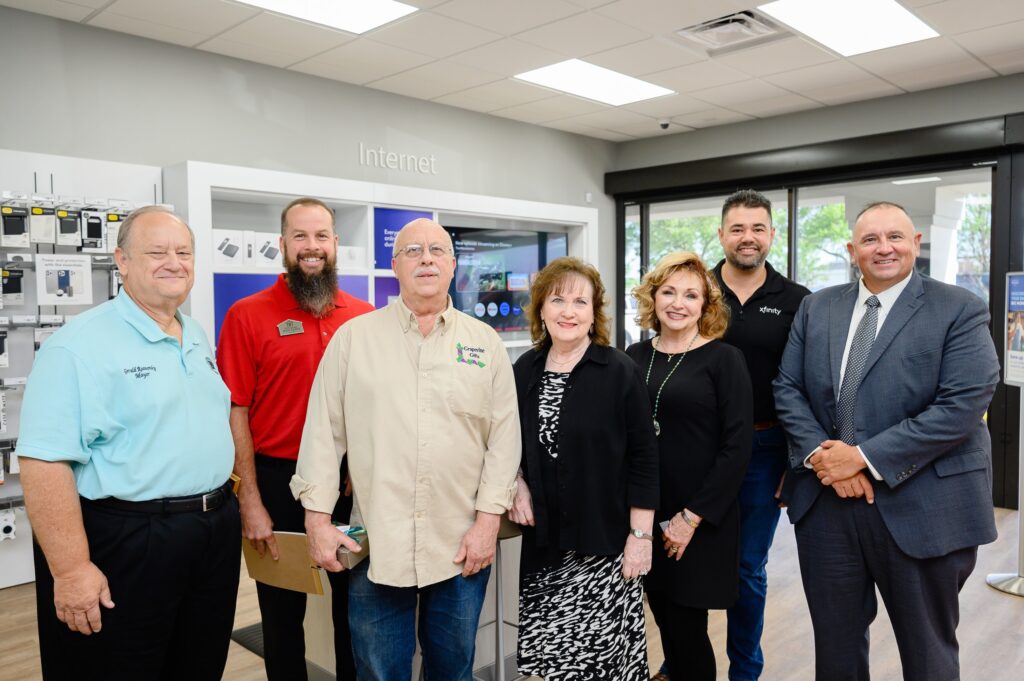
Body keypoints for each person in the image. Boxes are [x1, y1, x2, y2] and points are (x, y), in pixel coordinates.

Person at [773, 201, 999, 681]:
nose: (883, 248)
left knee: (928, 655)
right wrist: (822, 457)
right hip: (827, 506)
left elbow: (959, 406)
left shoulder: (958, 308)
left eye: (894, 237)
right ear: (852, 250)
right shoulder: (818, 306)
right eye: (870, 240)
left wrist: (861, 458)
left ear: (916, 243)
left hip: (922, 506)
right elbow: (787, 387)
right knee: (835, 653)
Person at [290, 218, 521, 681]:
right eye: (413, 251)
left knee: (452, 671)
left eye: (437, 250)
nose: (426, 259)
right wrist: (316, 519)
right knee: (378, 673)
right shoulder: (354, 339)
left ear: (453, 265)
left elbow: (503, 440)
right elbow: (322, 432)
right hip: (378, 542)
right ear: (395, 265)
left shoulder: (484, 344)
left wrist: (487, 522)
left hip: (460, 546)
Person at [17, 205, 239, 681]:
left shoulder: (193, 332)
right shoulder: (77, 347)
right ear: (121, 260)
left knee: (198, 663)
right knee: (117, 667)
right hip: (130, 539)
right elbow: (43, 463)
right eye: (156, 251)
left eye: (183, 252)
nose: (173, 262)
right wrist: (73, 569)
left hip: (212, 532)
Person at [217, 197, 373, 680]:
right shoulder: (247, 314)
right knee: (283, 619)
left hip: (350, 484)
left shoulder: (364, 316)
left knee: (357, 614)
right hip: (277, 479)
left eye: (321, 236)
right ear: (282, 245)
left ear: (335, 245)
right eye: (300, 237)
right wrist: (250, 502)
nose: (312, 247)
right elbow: (235, 410)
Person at [508, 256, 659, 681]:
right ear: (541, 309)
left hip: (605, 548)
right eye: (558, 300)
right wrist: (515, 481)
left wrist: (641, 537)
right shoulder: (525, 370)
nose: (568, 311)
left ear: (594, 314)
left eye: (580, 302)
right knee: (551, 665)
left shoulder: (619, 371)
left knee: (601, 667)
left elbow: (645, 459)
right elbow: (505, 443)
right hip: (545, 549)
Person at [626, 251, 752, 681]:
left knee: (687, 629)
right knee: (664, 619)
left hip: (697, 519)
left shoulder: (724, 360)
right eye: (669, 291)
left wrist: (690, 519)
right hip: (644, 514)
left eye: (691, 294)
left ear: (706, 305)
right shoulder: (633, 355)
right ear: (653, 297)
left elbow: (737, 449)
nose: (678, 303)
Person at [712, 190, 810, 681]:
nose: (747, 238)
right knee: (683, 555)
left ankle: (744, 671)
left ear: (771, 235)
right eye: (737, 228)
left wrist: (795, 463)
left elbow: (810, 386)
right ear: (721, 234)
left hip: (765, 449)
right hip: (698, 449)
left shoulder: (798, 301)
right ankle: (683, 655)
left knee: (747, 568)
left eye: (757, 229)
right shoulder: (696, 290)